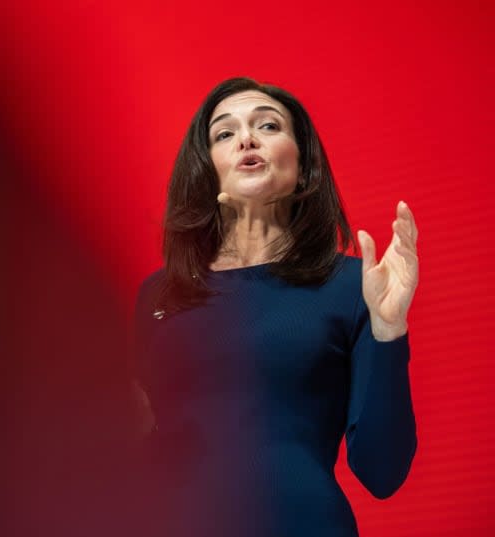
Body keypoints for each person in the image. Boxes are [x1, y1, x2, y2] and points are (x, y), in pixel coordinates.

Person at [132, 77, 418, 537]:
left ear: (303, 167)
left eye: (267, 125)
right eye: (224, 133)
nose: (247, 138)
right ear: (206, 171)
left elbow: (383, 473)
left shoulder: (352, 285)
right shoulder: (159, 295)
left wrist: (389, 329)